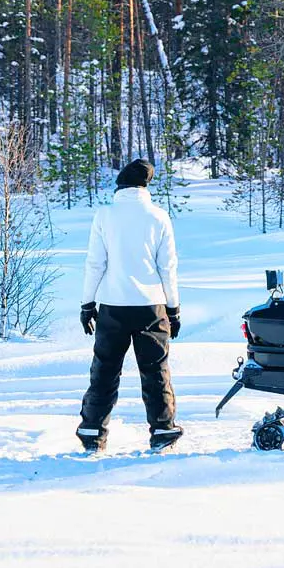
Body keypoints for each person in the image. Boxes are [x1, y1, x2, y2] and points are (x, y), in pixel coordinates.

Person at [76, 159, 183, 452]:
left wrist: (87, 304)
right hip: (151, 306)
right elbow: (167, 267)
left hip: (113, 305)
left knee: (105, 370)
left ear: (120, 186)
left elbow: (95, 263)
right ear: (145, 186)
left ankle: (92, 430)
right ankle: (162, 431)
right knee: (155, 371)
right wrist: (173, 309)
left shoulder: (105, 215)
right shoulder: (158, 217)